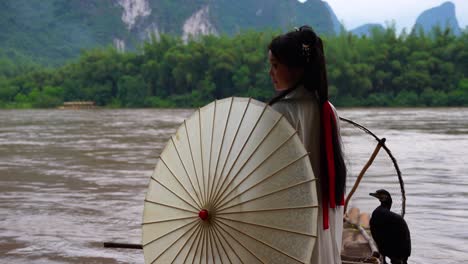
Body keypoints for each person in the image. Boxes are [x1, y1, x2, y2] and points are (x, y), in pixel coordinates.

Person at [267, 25, 347, 264]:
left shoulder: (281, 111)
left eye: (275, 66)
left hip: (290, 217)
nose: (271, 73)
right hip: (320, 213)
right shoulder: (328, 109)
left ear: (296, 69)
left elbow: (270, 176)